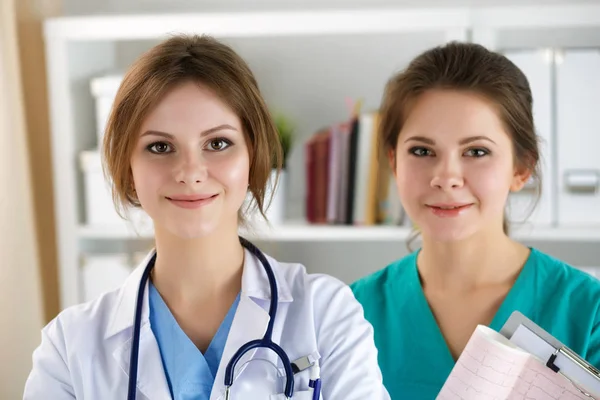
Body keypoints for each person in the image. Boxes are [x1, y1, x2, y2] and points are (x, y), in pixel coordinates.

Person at [24, 34, 390, 400]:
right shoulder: (69, 349)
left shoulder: (326, 315)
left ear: (253, 155)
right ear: (127, 166)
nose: (191, 172)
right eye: (160, 147)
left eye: (217, 143)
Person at [350, 41, 600, 399]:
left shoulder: (588, 313)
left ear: (521, 168)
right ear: (393, 162)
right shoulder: (350, 311)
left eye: (476, 152)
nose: (446, 176)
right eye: (422, 151)